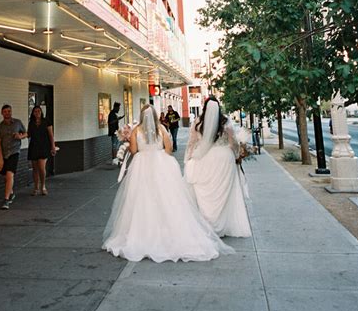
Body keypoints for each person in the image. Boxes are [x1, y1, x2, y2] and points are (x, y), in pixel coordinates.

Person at [102, 104, 234, 262]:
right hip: (161, 164)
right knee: (166, 198)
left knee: (141, 199)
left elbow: (134, 151)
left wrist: (131, 141)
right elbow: (169, 149)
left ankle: (142, 233)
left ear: (142, 115)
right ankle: (168, 231)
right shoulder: (162, 129)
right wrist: (159, 154)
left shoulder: (136, 130)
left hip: (141, 166)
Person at [184, 97, 251, 237]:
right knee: (224, 191)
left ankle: (207, 223)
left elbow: (191, 143)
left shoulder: (198, 122)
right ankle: (223, 223)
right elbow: (233, 142)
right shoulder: (225, 122)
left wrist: (189, 159)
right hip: (224, 159)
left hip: (205, 158)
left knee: (207, 190)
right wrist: (238, 154)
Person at [0, 104, 27, 210]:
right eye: (5, 111)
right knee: (4, 175)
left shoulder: (17, 123)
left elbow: (26, 133)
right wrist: (0, 159)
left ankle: (6, 200)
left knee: (9, 175)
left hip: (14, 152)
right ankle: (11, 192)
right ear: (2, 113)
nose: (7, 113)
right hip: (4, 153)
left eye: (9, 111)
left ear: (11, 112)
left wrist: (20, 136)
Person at [27, 105, 57, 195]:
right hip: (33, 146)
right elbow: (28, 134)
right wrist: (20, 135)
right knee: (35, 168)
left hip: (44, 146)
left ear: (41, 112)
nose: (37, 113)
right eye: (35, 111)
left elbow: (51, 135)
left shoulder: (46, 121)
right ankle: (36, 187)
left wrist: (53, 146)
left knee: (41, 167)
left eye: (39, 111)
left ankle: (43, 186)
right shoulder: (31, 123)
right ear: (33, 113)